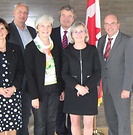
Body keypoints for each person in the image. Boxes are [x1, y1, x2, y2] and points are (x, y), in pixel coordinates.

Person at [97, 14, 133, 135]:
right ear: (104, 26)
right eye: (107, 24)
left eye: (112, 23)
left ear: (118, 25)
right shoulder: (102, 40)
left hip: (121, 89)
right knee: (111, 120)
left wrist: (126, 88)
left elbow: (131, 66)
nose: (110, 26)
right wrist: (99, 84)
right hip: (107, 88)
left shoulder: (127, 40)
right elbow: (101, 65)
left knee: (123, 121)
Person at [24, 15, 63, 135]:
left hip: (54, 90)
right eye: (42, 26)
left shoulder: (55, 46)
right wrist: (33, 96)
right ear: (37, 28)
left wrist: (61, 89)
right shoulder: (31, 47)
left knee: (52, 121)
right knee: (40, 123)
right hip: (39, 92)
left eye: (48, 26)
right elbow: (29, 73)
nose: (45, 29)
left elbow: (60, 69)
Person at [62, 21, 101, 135]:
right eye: (76, 31)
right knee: (74, 123)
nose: (78, 34)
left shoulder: (93, 50)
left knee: (88, 124)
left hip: (90, 91)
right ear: (72, 35)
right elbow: (64, 73)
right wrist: (78, 87)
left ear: (86, 34)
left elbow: (97, 72)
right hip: (72, 91)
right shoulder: (67, 51)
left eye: (81, 31)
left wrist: (86, 87)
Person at [8, 3, 37, 135]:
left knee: (29, 114)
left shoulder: (32, 31)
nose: (22, 15)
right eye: (20, 12)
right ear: (13, 13)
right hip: (16, 79)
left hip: (32, 79)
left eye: (25, 12)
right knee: (19, 115)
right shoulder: (6, 30)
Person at [50, 5, 76, 135]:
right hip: (54, 82)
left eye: (69, 16)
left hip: (73, 82)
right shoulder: (50, 33)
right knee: (58, 116)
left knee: (73, 116)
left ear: (73, 19)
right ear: (59, 17)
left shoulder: (78, 34)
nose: (66, 19)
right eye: (63, 15)